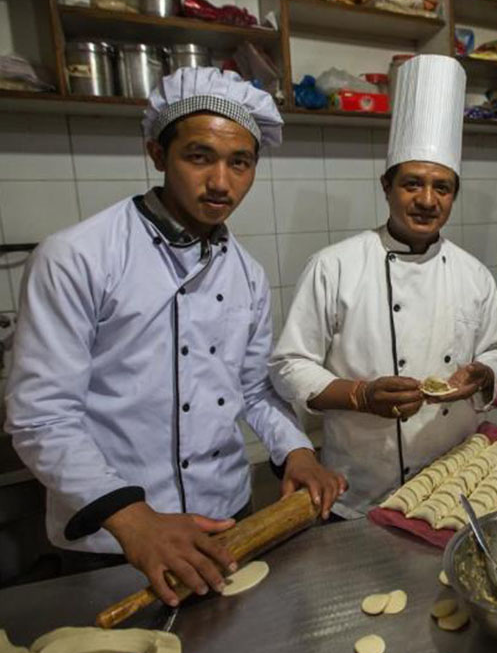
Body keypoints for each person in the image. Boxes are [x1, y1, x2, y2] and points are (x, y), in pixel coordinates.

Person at [5, 68, 344, 606]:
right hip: (116, 536)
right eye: (199, 156)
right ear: (157, 154)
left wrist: (297, 452)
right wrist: (134, 520)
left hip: (225, 518)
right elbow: (42, 417)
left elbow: (253, 389)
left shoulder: (247, 274)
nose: (221, 183)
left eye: (240, 163)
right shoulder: (77, 257)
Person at [269, 55, 497, 518]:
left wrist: (484, 374)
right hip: (361, 487)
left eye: (442, 187)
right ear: (386, 186)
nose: (427, 200)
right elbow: (289, 365)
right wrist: (360, 395)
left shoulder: (473, 274)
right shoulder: (334, 266)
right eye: (412, 184)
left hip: (454, 484)